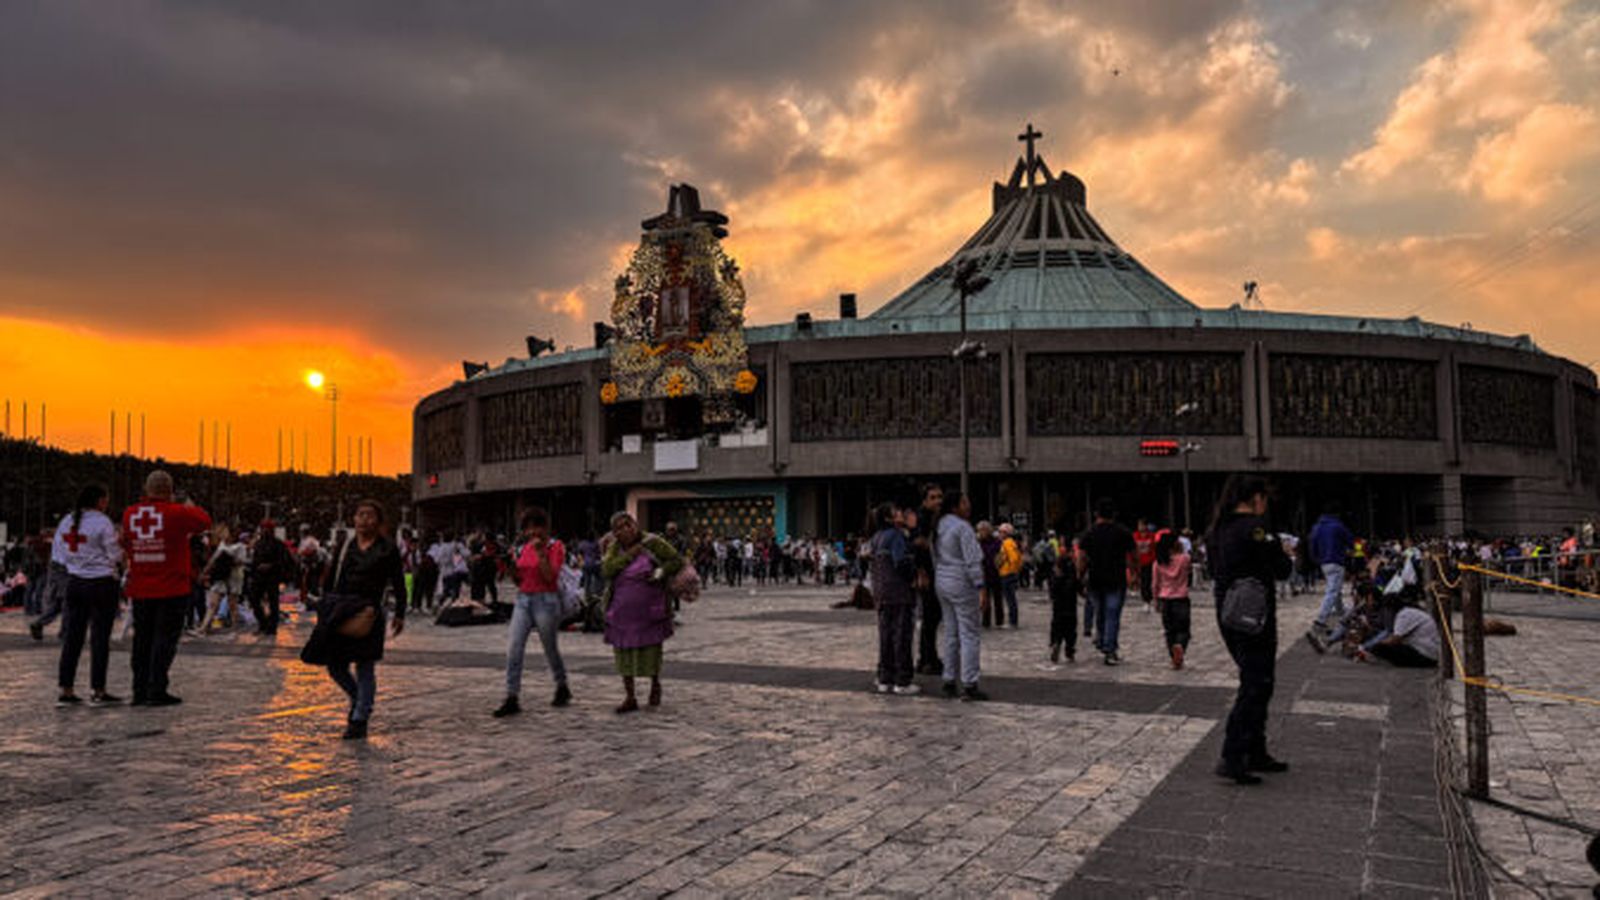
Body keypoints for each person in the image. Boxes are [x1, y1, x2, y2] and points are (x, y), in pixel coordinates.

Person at [1206, 474, 1293, 785]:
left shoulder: (1217, 529)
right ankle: (1233, 755)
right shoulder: (1255, 529)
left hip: (1227, 609)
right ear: (1256, 498)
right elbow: (1282, 568)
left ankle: (1255, 750)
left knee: (1256, 679)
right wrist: (1280, 550)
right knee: (1257, 682)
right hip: (1253, 613)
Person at [122, 470, 212, 707]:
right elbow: (204, 521)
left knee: (141, 641)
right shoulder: (176, 513)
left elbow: (126, 542)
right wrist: (186, 503)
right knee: (164, 641)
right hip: (171, 587)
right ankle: (156, 689)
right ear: (170, 491)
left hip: (141, 588)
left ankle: (138, 690)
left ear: (146, 489)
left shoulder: (130, 514)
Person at [319, 499, 406, 739]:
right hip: (343, 609)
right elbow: (331, 576)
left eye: (369, 515)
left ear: (378, 521)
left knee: (365, 665)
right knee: (335, 664)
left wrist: (400, 613)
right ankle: (359, 697)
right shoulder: (345, 545)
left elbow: (398, 582)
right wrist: (324, 605)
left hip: (370, 612)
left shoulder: (387, 548)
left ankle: (360, 718)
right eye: (360, 515)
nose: (364, 519)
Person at [601, 512, 682, 714]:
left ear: (635, 525)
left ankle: (655, 684)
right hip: (621, 611)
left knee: (651, 649)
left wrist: (659, 572)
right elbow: (607, 570)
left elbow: (675, 561)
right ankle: (630, 696)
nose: (624, 530)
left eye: (627, 525)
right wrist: (629, 555)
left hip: (649, 608)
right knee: (623, 653)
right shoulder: (614, 548)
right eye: (618, 528)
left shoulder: (653, 542)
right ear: (614, 533)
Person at [493, 507, 571, 717]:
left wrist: (541, 554)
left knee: (549, 647)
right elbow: (520, 579)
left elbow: (550, 577)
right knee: (514, 647)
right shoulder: (524, 548)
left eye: (537, 527)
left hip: (546, 600)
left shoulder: (555, 547)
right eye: (528, 528)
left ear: (545, 528)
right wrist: (509, 568)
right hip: (524, 600)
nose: (533, 532)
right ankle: (512, 695)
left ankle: (561, 684)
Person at [55, 484, 123, 707]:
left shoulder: (66, 521)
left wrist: (78, 565)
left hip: (75, 582)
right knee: (99, 638)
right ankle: (98, 688)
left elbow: (59, 554)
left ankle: (66, 689)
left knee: (72, 638)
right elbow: (114, 553)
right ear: (100, 501)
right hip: (101, 583)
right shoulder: (102, 522)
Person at [933, 490, 987, 701]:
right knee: (969, 633)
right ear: (956, 507)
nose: (969, 505)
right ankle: (969, 682)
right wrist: (981, 586)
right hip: (961, 581)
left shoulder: (939, 524)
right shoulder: (963, 527)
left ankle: (949, 678)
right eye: (965, 502)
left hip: (942, 579)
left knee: (951, 633)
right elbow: (973, 560)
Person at [1077, 500, 1137, 665]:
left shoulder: (1089, 533)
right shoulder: (1123, 532)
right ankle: (1109, 648)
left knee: (1100, 612)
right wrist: (1133, 573)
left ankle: (1103, 639)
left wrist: (1080, 576)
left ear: (1097, 515)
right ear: (1114, 515)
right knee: (1112, 614)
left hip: (1095, 579)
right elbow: (1133, 555)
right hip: (1116, 579)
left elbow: (1081, 557)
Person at [868, 503, 919, 695]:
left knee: (885, 636)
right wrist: (912, 576)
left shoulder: (876, 537)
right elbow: (901, 562)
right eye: (897, 512)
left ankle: (884, 678)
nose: (901, 513)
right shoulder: (896, 536)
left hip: (881, 593)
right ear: (889, 518)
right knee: (902, 635)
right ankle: (902, 681)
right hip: (899, 592)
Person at [911, 483, 945, 675]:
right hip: (928, 575)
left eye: (939, 497)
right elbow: (918, 546)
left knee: (932, 618)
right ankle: (927, 659)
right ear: (925, 500)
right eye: (933, 497)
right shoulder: (922, 518)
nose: (937, 501)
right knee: (930, 617)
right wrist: (921, 571)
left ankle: (928, 657)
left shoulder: (933, 517)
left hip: (934, 572)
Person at [1309, 502, 1355, 633]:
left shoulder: (1316, 527)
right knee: (1332, 591)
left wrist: (1316, 559)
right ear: (1336, 514)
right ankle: (1321, 620)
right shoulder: (1338, 526)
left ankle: (1340, 611)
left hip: (1324, 562)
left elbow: (1312, 545)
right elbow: (1350, 541)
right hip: (1336, 561)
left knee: (1335, 588)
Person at [1152, 531, 1192, 670]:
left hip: (1165, 599)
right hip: (1181, 598)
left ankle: (1174, 656)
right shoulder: (1185, 559)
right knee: (1184, 630)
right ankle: (1180, 647)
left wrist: (1156, 600)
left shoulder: (1158, 562)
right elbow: (1189, 572)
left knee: (1169, 631)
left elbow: (1155, 584)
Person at [246, 521, 293, 635]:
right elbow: (254, 559)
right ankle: (263, 623)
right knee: (254, 599)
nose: (263, 531)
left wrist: (270, 566)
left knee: (273, 602)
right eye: (262, 528)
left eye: (266, 529)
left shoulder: (278, 544)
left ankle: (272, 627)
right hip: (258, 576)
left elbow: (284, 561)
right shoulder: (258, 543)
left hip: (272, 577)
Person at [1364, 601, 1439, 668]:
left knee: (1380, 648)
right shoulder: (1409, 612)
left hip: (1427, 654)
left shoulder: (1403, 615)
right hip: (1430, 652)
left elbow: (1395, 639)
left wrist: (1372, 646)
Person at [1048, 535, 1080, 664]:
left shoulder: (1057, 563)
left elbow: (1052, 581)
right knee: (1071, 626)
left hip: (1058, 600)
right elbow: (1075, 582)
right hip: (1070, 600)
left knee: (1057, 623)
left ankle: (1056, 641)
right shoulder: (1071, 564)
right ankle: (1069, 650)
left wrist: (1052, 594)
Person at [996, 523, 1023, 628]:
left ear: (1005, 533)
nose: (999, 534)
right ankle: (1013, 621)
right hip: (1009, 573)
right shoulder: (1011, 542)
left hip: (1007, 574)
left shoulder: (1007, 543)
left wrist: (1011, 569)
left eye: (1000, 532)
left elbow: (1015, 558)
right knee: (1011, 599)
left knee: (1010, 599)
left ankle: (1013, 622)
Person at [1133, 518, 1158, 613]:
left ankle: (1152, 599)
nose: (1140, 527)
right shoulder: (1135, 536)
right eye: (1139, 525)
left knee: (1150, 581)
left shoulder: (1152, 536)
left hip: (1150, 562)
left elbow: (1154, 549)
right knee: (1143, 582)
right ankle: (1145, 601)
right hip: (1139, 562)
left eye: (1142, 525)